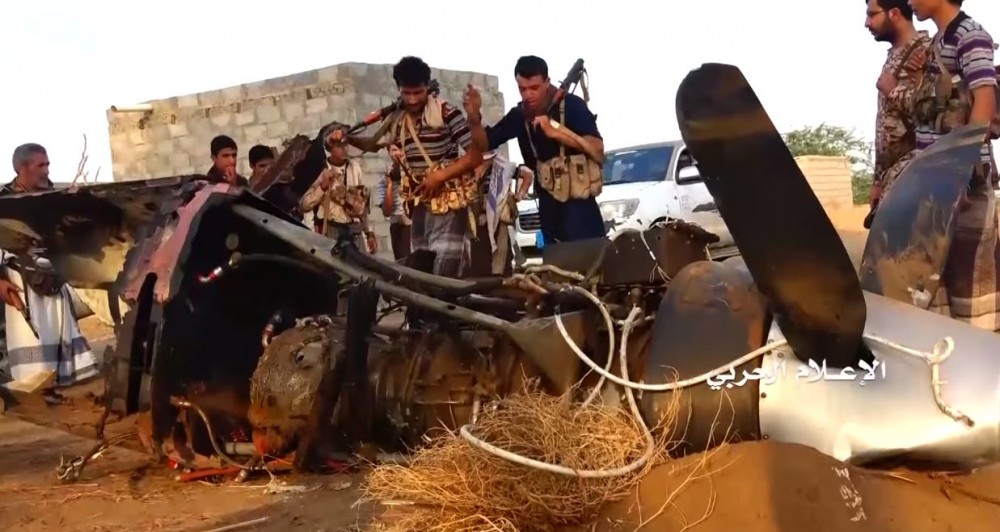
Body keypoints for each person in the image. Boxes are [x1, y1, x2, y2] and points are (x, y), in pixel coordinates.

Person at [330, 56, 486, 277]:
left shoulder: (445, 112)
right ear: (399, 89)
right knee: (422, 271)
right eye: (407, 93)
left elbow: (477, 154)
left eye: (418, 92)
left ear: (427, 87)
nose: (412, 100)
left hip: (448, 204)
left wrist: (474, 119)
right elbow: (372, 144)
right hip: (420, 206)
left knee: (445, 271)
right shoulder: (397, 120)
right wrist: (346, 138)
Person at [909, 0, 999, 331]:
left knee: (970, 294)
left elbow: (984, 102)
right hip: (935, 183)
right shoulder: (938, 41)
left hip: (962, 184)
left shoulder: (970, 35)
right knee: (936, 295)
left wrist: (959, 174)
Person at [0, 144, 98, 400]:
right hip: (18, 281)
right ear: (22, 169)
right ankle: (36, 390)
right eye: (40, 165)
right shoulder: (3, 201)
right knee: (30, 336)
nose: (46, 171)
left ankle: (55, 384)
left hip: (53, 276)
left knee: (56, 330)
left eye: (47, 164)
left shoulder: (53, 197)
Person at [483, 55, 606, 246]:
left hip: (581, 208)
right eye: (522, 89)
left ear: (547, 82)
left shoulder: (571, 105)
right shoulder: (520, 115)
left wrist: (555, 132)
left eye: (534, 88)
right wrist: (473, 116)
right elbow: (485, 142)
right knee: (555, 261)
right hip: (549, 206)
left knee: (591, 258)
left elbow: (597, 148)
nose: (528, 95)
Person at [865, 0, 932, 211]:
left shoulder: (926, 53)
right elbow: (885, 126)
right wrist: (878, 181)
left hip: (918, 177)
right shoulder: (894, 57)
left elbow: (934, 116)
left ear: (894, 14)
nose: (866, 23)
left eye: (872, 14)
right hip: (893, 179)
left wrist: (893, 92)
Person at [299, 128, 378, 254]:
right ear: (330, 147)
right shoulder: (320, 170)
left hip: (354, 231)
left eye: (346, 144)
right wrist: (322, 188)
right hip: (332, 232)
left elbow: (361, 204)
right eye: (339, 145)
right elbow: (304, 205)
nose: (344, 148)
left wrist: (369, 233)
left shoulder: (354, 167)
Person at [467, 151, 533, 276]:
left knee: (501, 263)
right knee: (478, 264)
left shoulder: (503, 166)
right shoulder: (468, 167)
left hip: (499, 222)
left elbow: (528, 175)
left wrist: (519, 195)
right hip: (477, 222)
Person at [375, 145, 412, 262]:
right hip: (398, 225)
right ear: (389, 152)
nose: (399, 153)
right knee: (403, 263)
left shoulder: (414, 168)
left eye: (401, 149)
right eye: (394, 150)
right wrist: (390, 185)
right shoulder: (384, 176)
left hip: (414, 222)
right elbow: (386, 211)